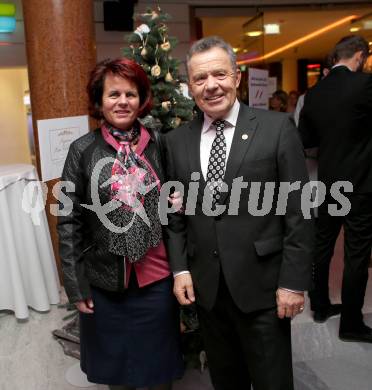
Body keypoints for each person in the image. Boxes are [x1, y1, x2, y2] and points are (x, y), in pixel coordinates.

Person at [164, 36, 313, 390]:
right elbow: (174, 210)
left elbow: (299, 210)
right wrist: (181, 267)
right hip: (208, 290)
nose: (211, 85)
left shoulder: (277, 128)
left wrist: (293, 282)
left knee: (271, 381)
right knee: (225, 380)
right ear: (190, 86)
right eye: (200, 79)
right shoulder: (175, 141)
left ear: (237, 77)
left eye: (219, 74)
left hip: (263, 287)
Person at [57, 58, 184, 390]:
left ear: (141, 99)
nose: (123, 101)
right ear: (100, 100)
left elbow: (176, 203)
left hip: (157, 280)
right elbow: (68, 222)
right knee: (117, 375)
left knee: (159, 374)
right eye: (114, 94)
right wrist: (76, 285)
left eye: (131, 93)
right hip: (105, 284)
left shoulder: (160, 143)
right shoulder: (82, 150)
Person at [299, 35, 372, 343]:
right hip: (362, 182)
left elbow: (306, 142)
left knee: (322, 245)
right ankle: (352, 323)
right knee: (357, 253)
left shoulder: (314, 93)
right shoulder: (365, 85)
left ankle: (319, 305)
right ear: (359, 56)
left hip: (328, 183)